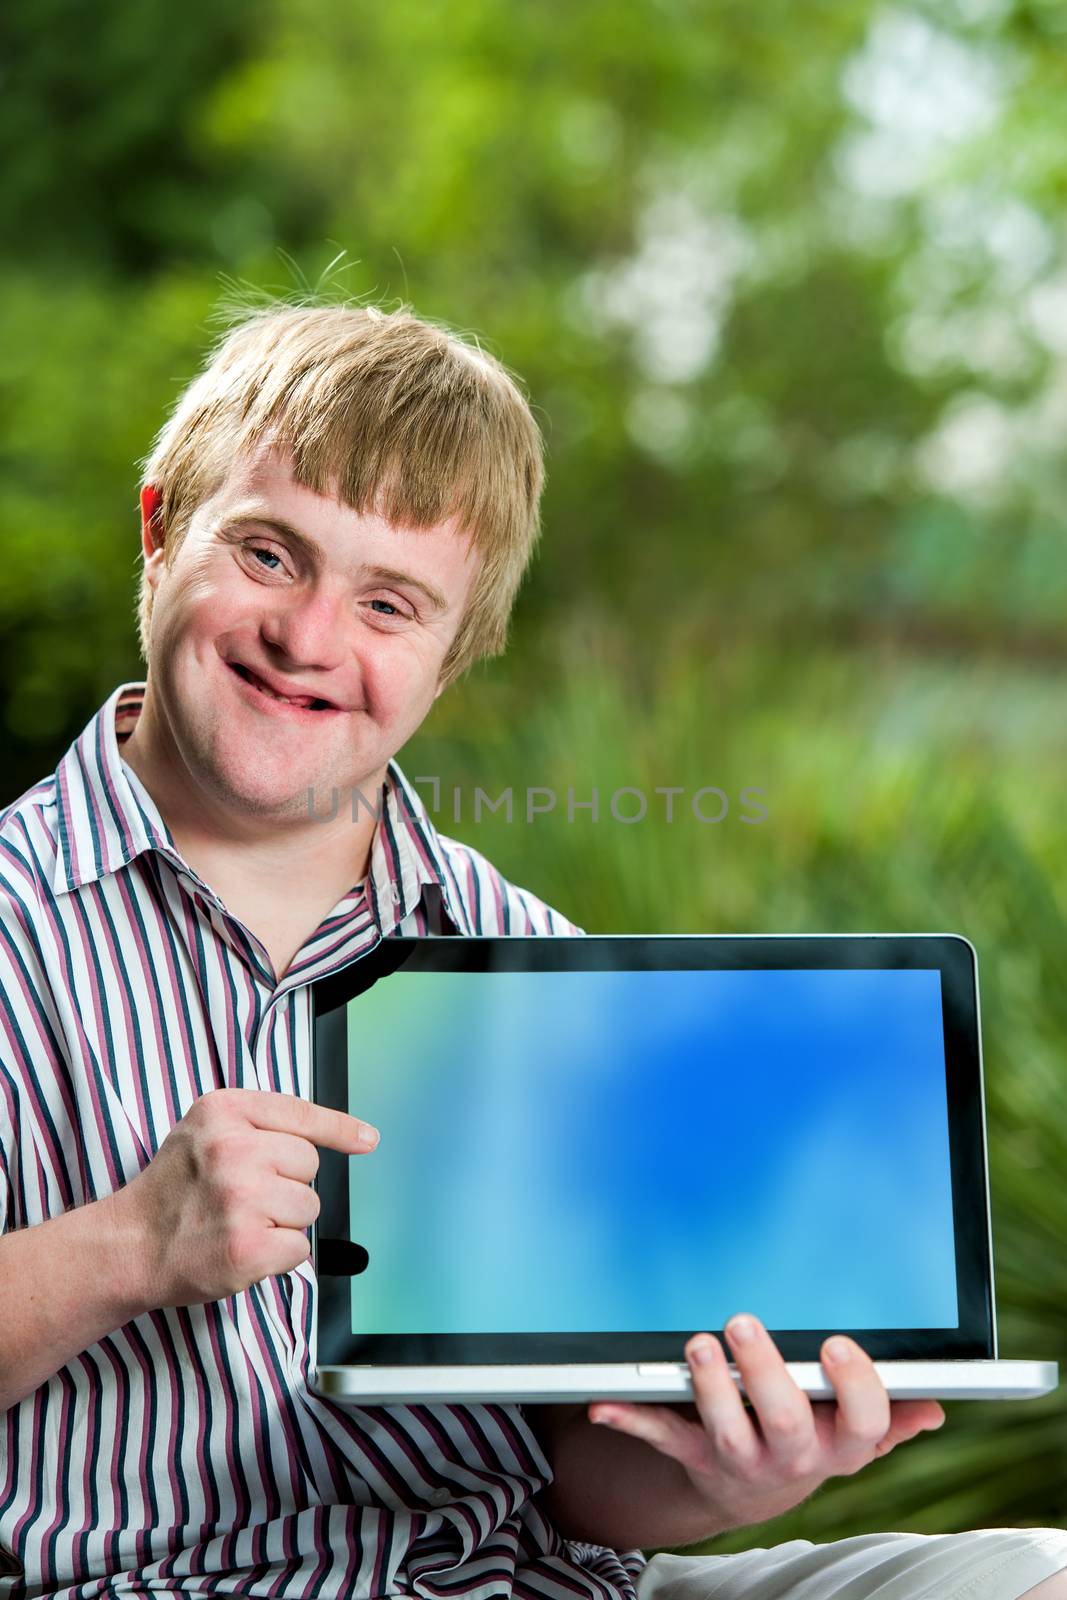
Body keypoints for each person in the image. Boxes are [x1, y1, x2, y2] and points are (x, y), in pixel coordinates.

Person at [0, 299, 1064, 1600]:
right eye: (271, 555)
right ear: (161, 533)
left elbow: (575, 1478)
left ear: (456, 657)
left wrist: (729, 1473)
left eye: (391, 603)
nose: (312, 636)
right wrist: (124, 1248)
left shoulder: (518, 953)